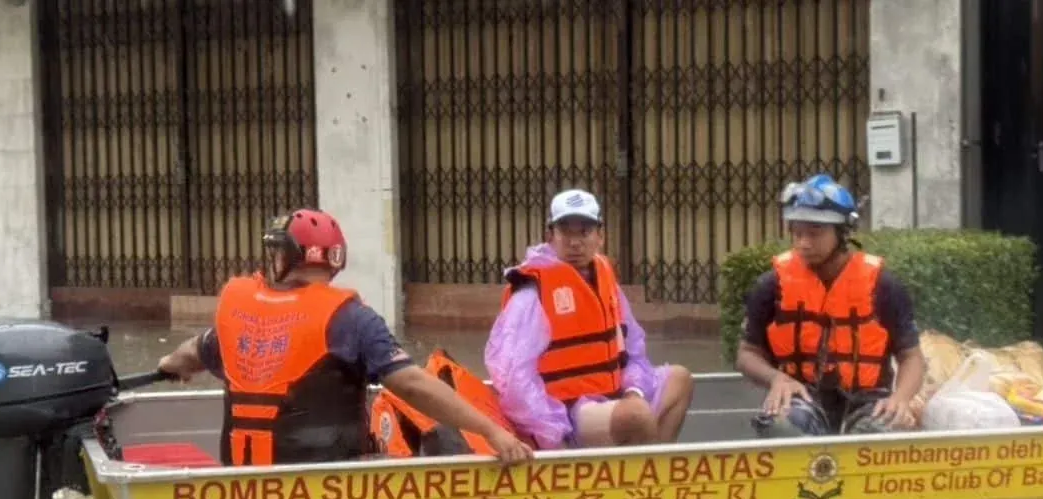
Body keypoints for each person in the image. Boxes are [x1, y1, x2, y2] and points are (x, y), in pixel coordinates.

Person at [156, 208, 533, 466]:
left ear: (286, 258)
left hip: (240, 481)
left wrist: (170, 365)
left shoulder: (240, 312)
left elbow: (189, 354)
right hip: (327, 482)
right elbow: (412, 385)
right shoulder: (351, 318)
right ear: (335, 260)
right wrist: (491, 431)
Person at [485, 188, 695, 450]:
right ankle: (646, 467)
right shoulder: (532, 291)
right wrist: (552, 433)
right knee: (636, 417)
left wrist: (634, 391)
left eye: (584, 232)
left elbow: (633, 350)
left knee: (680, 379)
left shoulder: (605, 278)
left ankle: (650, 462)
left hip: (612, 396)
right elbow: (513, 379)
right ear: (550, 236)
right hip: (566, 414)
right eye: (566, 232)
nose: (575, 243)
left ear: (600, 236)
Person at [735, 174, 927, 437]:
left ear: (843, 233)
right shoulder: (771, 286)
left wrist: (901, 398)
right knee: (781, 425)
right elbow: (747, 354)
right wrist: (777, 378)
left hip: (868, 402)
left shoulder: (883, 285)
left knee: (882, 429)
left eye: (815, 233)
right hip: (801, 397)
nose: (803, 243)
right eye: (797, 233)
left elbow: (911, 357)